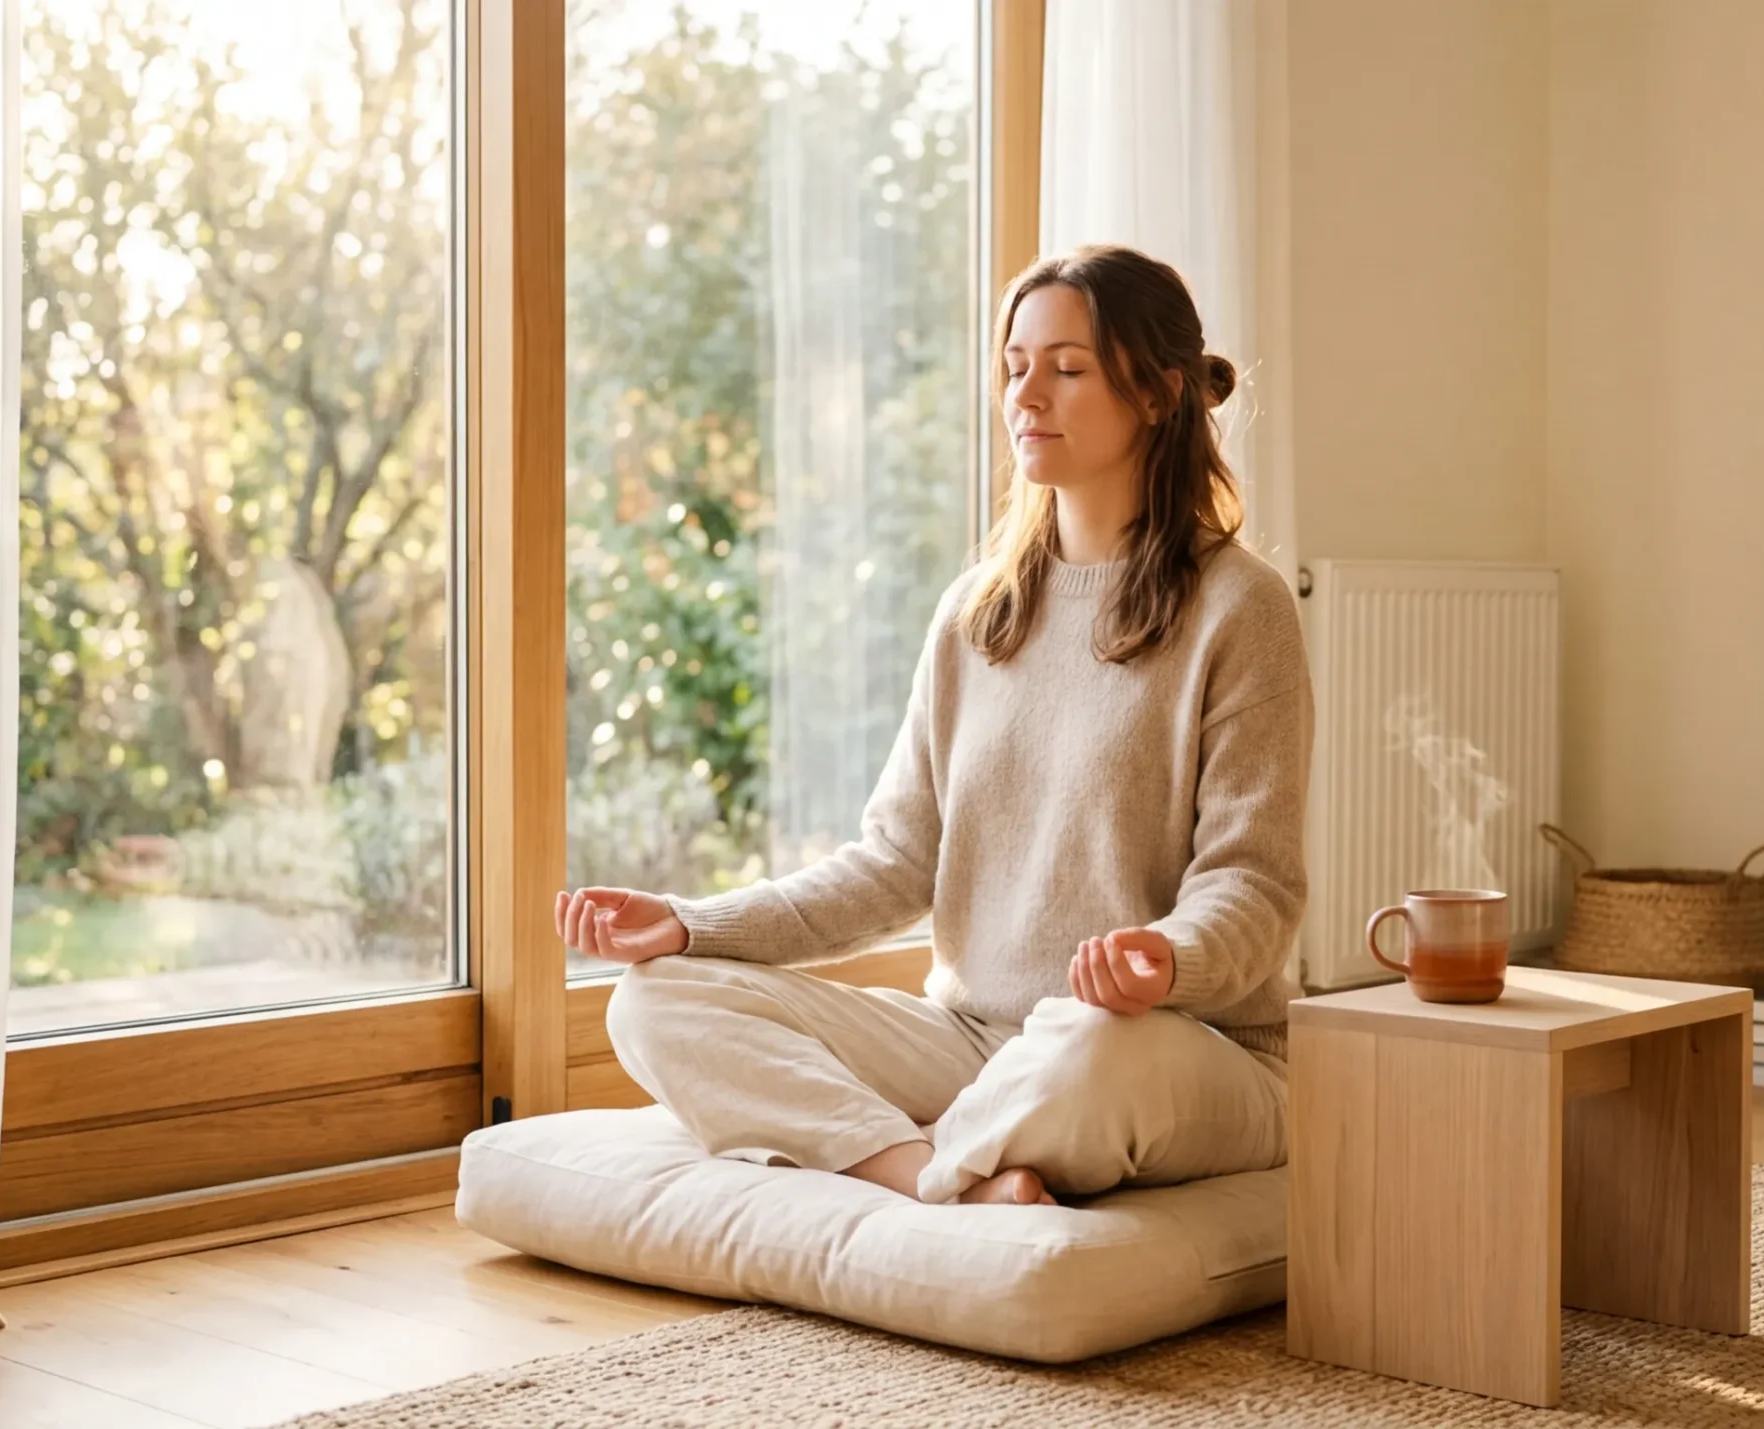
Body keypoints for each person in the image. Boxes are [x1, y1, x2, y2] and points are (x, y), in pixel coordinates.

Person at [555, 244, 1311, 1208]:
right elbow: (892, 864)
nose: (1026, 395)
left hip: (1166, 1044)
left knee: (1092, 1050)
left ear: (1158, 394)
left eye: (1067, 369)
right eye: (1014, 366)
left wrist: (1167, 960)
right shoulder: (976, 614)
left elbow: (1254, 882)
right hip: (971, 1042)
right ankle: (926, 1177)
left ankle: (945, 1149)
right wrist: (693, 924)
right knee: (658, 999)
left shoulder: (1240, 607)